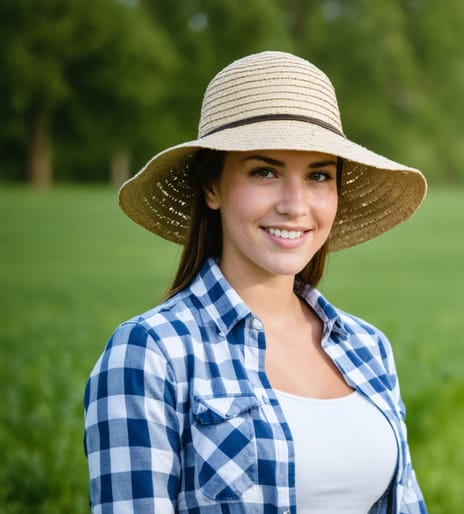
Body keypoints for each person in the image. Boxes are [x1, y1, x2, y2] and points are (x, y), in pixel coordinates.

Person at [83, 51, 428, 514]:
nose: (294, 204)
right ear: (211, 188)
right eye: (264, 172)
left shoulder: (367, 347)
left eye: (319, 176)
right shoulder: (152, 353)